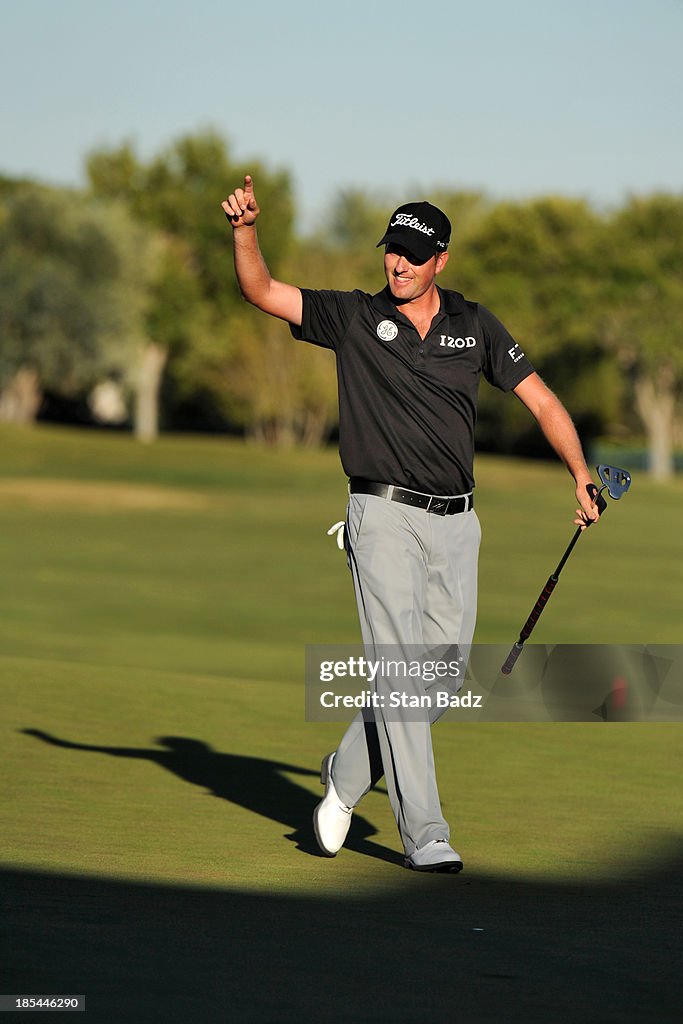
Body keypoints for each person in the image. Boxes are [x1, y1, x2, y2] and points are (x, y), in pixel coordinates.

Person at [221, 177, 600, 873]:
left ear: (440, 261)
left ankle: (344, 771)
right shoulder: (354, 317)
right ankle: (425, 833)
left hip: (457, 524)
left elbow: (542, 401)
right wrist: (245, 231)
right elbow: (263, 292)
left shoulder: (475, 325)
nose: (397, 264)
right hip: (381, 515)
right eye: (391, 250)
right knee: (399, 672)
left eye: (412, 254)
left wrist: (579, 472)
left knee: (442, 677)